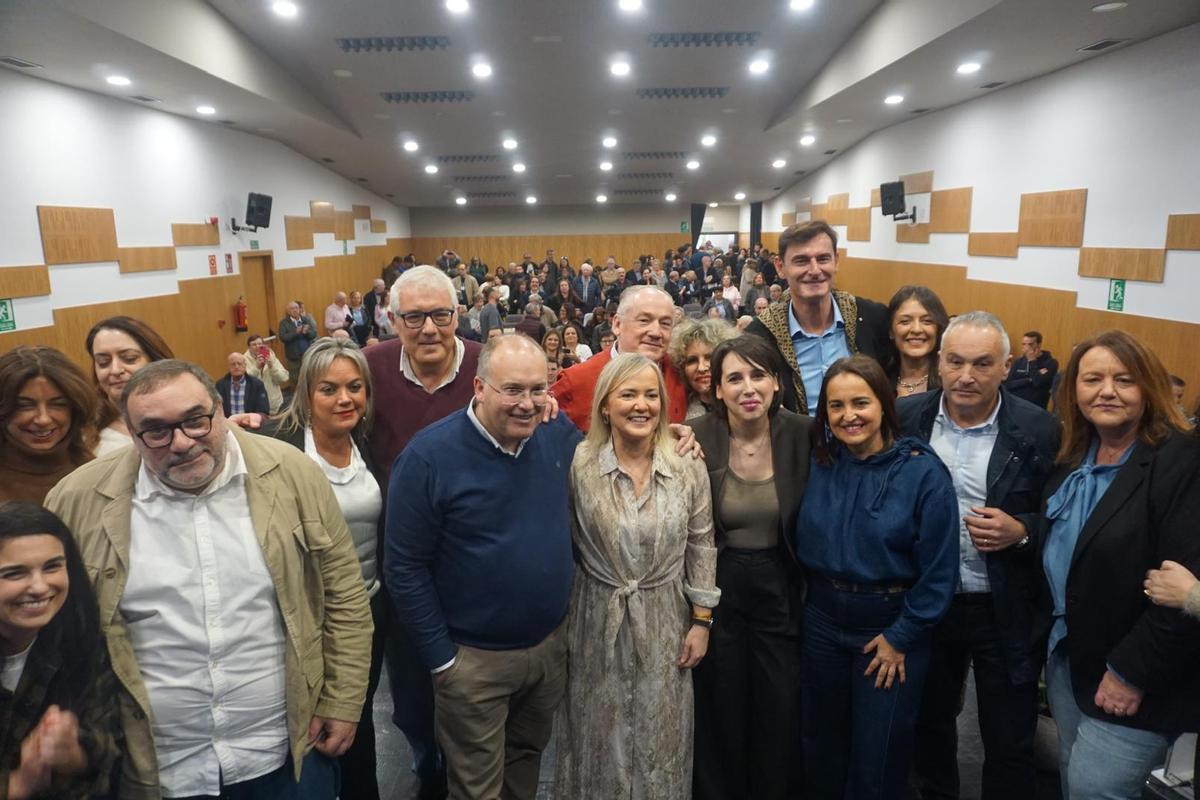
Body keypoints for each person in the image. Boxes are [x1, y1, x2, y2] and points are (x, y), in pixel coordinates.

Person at [44, 359, 372, 798]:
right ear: (132, 432)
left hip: (284, 751)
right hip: (157, 766)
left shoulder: (292, 474)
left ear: (220, 410)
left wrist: (343, 700)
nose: (180, 442)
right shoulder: (76, 500)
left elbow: (345, 596)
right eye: (156, 431)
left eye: (196, 420)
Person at [387, 335, 581, 800]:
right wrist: (442, 659)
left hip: (547, 651)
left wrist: (677, 433)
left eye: (539, 389)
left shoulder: (557, 434)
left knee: (525, 766)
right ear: (478, 387)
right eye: (512, 389)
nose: (528, 403)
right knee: (476, 788)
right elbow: (404, 567)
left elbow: (617, 452)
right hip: (473, 661)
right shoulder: (428, 457)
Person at [898, 312, 1060, 800]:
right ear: (939, 363)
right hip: (930, 605)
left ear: (1007, 366)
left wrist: (1024, 531)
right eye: (956, 362)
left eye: (982, 364)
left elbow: (1063, 517)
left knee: (1009, 740)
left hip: (1004, 607)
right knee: (929, 729)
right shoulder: (907, 419)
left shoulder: (1041, 431)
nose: (967, 375)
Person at [1033, 330, 1199, 799]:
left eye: (1123, 379)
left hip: (1135, 677)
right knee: (1072, 775)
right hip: (1070, 660)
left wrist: (1131, 673)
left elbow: (1179, 590)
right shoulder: (1074, 454)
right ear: (1074, 390)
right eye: (1093, 379)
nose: (1106, 390)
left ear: (1148, 387)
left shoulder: (1180, 461)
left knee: (1094, 790)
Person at [554, 354, 719, 799]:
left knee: (660, 737)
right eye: (628, 394)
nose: (641, 405)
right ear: (605, 405)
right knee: (596, 735)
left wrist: (702, 622)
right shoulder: (580, 465)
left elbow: (701, 543)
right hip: (595, 619)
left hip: (666, 618)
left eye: (651, 395)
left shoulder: (687, 465)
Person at [796, 355, 958, 800]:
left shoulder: (923, 473)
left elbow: (940, 573)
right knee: (821, 747)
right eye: (836, 406)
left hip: (888, 628)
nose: (849, 416)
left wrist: (902, 636)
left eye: (860, 403)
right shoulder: (822, 461)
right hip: (823, 623)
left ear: (885, 404)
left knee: (878, 758)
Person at [363, 266, 484, 799]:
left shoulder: (488, 363)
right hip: (402, 560)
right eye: (414, 317)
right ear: (393, 319)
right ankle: (424, 756)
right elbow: (316, 414)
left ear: (459, 314)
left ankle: (468, 764)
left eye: (441, 314)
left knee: (474, 678)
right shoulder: (368, 368)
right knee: (411, 685)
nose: (429, 328)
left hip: (475, 558)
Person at [689, 336, 813, 800]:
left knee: (779, 707)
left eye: (758, 375)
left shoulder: (806, 433)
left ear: (777, 382)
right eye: (734, 378)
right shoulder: (696, 437)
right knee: (720, 707)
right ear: (717, 390)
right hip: (718, 589)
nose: (748, 388)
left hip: (781, 588)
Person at [272, 337, 387, 800]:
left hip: (368, 614)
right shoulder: (276, 450)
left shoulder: (371, 445)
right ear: (305, 395)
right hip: (301, 618)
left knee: (354, 724)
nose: (345, 399)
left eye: (355, 387)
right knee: (302, 726)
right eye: (329, 389)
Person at [0, 502, 120, 799]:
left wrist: (71, 754)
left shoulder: (77, 638)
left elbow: (104, 756)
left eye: (52, 566)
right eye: (15, 573)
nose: (40, 587)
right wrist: (17, 785)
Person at [746, 221, 889, 415]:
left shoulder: (871, 318)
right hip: (796, 444)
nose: (814, 271)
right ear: (780, 267)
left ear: (836, 261)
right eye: (801, 261)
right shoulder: (760, 337)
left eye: (823, 259)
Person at [552, 286, 689, 432]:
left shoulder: (683, 374)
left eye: (665, 324)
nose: (656, 332)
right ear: (617, 324)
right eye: (644, 320)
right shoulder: (575, 382)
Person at [0, 346, 96, 505]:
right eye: (25, 406)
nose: (43, 419)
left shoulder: (97, 473)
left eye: (58, 404)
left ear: (75, 409)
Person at [86, 315, 174, 455]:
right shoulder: (87, 434)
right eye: (103, 362)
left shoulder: (188, 412)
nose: (115, 370)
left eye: (129, 359)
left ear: (154, 360)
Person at [885, 285, 949, 397]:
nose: (917, 329)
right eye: (905, 322)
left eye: (927, 321)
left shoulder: (950, 382)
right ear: (891, 331)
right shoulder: (879, 380)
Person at [669, 318, 737, 420]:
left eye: (709, 358)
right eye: (692, 360)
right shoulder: (678, 413)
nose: (701, 368)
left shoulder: (743, 408)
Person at [1004, 331, 1058, 409]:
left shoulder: (1050, 363)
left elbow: (1037, 382)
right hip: (1016, 405)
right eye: (1024, 344)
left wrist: (1032, 361)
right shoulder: (1018, 362)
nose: (1026, 348)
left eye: (1030, 344)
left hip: (1036, 407)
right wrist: (1028, 380)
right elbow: (1008, 384)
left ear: (1039, 345)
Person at [244, 334, 291, 414]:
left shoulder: (271, 357)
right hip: (255, 406)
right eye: (254, 344)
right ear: (249, 347)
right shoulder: (243, 360)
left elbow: (284, 378)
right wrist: (256, 368)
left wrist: (272, 366)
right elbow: (244, 382)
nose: (257, 346)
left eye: (259, 344)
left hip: (274, 404)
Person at [216, 352, 271, 421]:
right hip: (229, 426)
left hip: (250, 425)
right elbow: (217, 410)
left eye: (239, 363)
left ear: (245, 365)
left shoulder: (257, 384)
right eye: (233, 364)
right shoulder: (220, 385)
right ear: (228, 367)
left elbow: (264, 411)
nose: (236, 367)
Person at [280, 300, 318, 386]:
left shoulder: (306, 319)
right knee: (295, 381)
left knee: (310, 378)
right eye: (292, 308)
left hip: (308, 355)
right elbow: (283, 338)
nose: (295, 310)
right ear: (288, 311)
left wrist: (307, 332)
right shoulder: (284, 323)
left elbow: (314, 333)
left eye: (296, 308)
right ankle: (296, 399)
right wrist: (295, 332)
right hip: (294, 357)